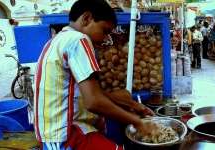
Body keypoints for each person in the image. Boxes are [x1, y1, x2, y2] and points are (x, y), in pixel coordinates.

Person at [34, 0, 154, 149]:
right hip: (66, 134)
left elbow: (91, 94)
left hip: (60, 132)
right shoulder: (79, 39)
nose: (105, 39)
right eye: (104, 31)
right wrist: (137, 121)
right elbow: (93, 101)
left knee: (124, 95)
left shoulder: (58, 39)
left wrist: (133, 104)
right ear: (86, 18)